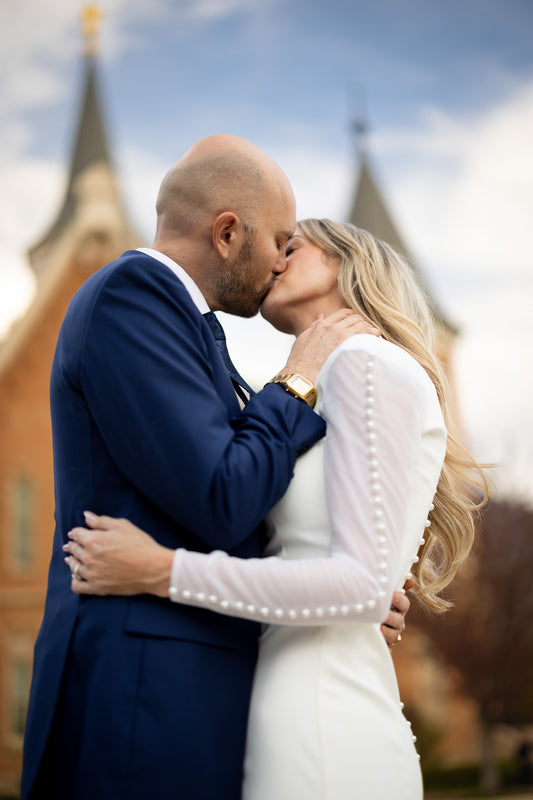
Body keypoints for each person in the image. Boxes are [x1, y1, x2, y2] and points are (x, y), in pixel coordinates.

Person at [21, 137, 407, 800]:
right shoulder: (132, 296)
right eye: (280, 238)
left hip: (186, 686)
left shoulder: (194, 331)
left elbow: (239, 505)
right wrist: (295, 381)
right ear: (227, 232)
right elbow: (222, 495)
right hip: (141, 692)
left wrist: (342, 592)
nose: (283, 257)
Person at [64, 219, 489, 798]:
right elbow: (348, 578)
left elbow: (359, 586)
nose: (275, 261)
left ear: (342, 262)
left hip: (321, 719)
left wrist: (161, 570)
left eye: (292, 247)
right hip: (286, 702)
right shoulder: (322, 381)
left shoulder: (366, 361)